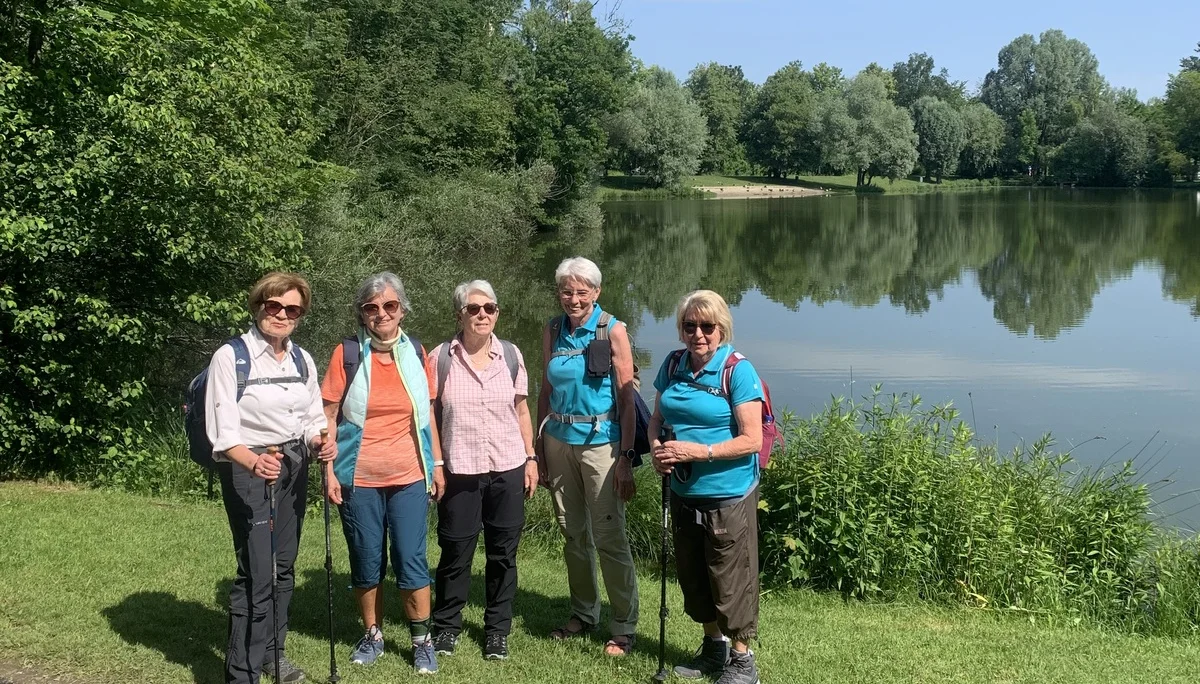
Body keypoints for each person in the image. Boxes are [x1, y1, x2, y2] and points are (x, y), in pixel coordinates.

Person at [205, 271, 335, 684]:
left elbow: (313, 417)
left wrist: (320, 443)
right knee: (257, 572)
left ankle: (272, 655)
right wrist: (254, 461)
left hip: (292, 466)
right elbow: (223, 435)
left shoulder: (301, 359)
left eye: (291, 308)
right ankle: (242, 673)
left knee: (284, 568)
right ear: (258, 305)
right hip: (249, 468)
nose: (281, 314)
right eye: (273, 305)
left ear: (300, 314)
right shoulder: (231, 356)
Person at [319, 272, 445, 675]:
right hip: (358, 478)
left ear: (402, 310)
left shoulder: (417, 352)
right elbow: (329, 415)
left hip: (409, 475)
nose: (381, 314)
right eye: (372, 308)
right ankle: (373, 635)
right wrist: (328, 472)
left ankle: (421, 639)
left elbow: (427, 419)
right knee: (365, 559)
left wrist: (438, 465)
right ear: (362, 313)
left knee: (412, 559)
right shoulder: (348, 353)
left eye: (390, 306)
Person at [648, 290, 765, 684]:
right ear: (681, 330)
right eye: (689, 325)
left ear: (722, 328)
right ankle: (713, 650)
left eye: (707, 326)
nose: (698, 334)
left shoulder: (738, 370)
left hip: (728, 494)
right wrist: (657, 450)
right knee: (694, 574)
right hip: (683, 492)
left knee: (730, 577)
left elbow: (751, 439)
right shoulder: (674, 363)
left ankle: (743, 662)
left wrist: (699, 452)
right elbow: (657, 417)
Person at [428, 280, 539, 661]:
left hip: (508, 465)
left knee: (503, 553)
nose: (482, 315)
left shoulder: (510, 355)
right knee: (455, 550)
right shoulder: (440, 357)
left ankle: (497, 630)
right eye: (474, 309)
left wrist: (531, 458)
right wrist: (436, 464)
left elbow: (521, 409)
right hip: (459, 469)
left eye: (489, 308)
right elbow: (428, 416)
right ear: (459, 313)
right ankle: (446, 626)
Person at [535, 256, 639, 657]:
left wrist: (627, 457)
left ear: (596, 292)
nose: (573, 298)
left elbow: (627, 400)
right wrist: (538, 449)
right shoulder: (552, 329)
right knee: (572, 533)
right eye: (566, 290)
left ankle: (624, 625)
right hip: (559, 440)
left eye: (582, 291)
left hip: (601, 444)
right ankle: (583, 612)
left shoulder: (612, 330)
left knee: (609, 536)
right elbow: (545, 390)